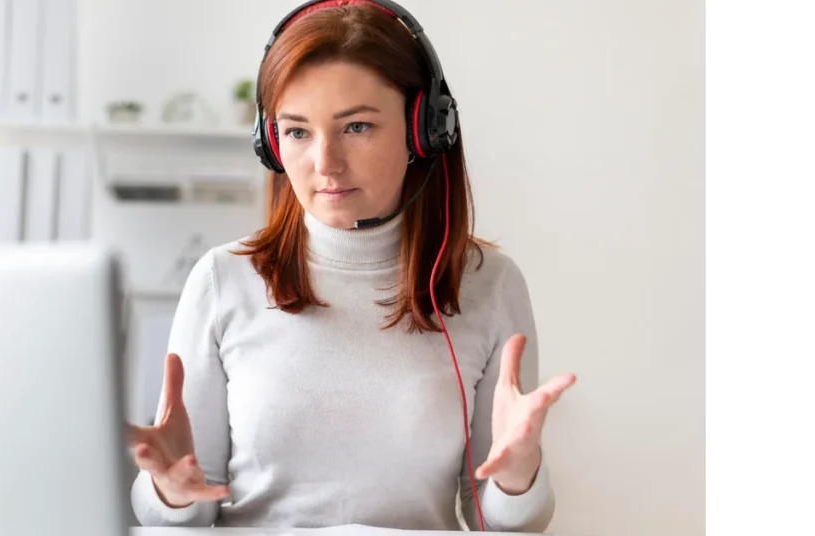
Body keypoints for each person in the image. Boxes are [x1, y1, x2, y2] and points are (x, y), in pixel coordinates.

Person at [127, 0, 577, 531]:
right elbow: (184, 506)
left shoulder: (488, 285)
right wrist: (170, 492)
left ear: (423, 131)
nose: (325, 163)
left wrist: (517, 478)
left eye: (357, 126)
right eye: (297, 132)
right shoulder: (223, 280)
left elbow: (499, 523)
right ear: (269, 142)